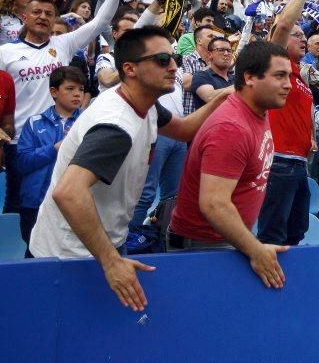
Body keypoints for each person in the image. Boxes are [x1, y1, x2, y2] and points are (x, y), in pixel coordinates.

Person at [29, 26, 234, 312]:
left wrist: (223, 97)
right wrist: (110, 261)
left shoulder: (143, 102)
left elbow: (185, 129)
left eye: (173, 57)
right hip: (71, 257)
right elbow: (69, 192)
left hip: (103, 246)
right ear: (130, 68)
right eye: (162, 60)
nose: (174, 66)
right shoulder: (116, 126)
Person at [0, 0, 134, 214]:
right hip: (21, 141)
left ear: (54, 20)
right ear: (24, 16)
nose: (42, 17)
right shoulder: (5, 53)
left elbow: (100, 23)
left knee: (58, 200)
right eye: (37, 12)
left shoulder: (63, 43)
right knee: (18, 203)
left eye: (49, 14)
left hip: (62, 137)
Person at [168, 41, 293, 289]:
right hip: (206, 250)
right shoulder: (231, 128)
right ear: (249, 78)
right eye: (279, 76)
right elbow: (214, 203)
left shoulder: (257, 109)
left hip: (227, 241)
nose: (288, 84)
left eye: (288, 75)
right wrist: (255, 250)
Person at [256, 0, 315, 246]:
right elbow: (282, 25)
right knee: (273, 235)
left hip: (299, 163)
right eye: (297, 34)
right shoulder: (277, 65)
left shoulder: (300, 76)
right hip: (279, 161)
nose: (304, 38)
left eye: (305, 35)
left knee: (296, 232)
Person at [16, 66, 84, 253]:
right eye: (70, 89)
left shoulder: (88, 121)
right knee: (34, 253)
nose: (77, 94)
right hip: (35, 202)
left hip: (75, 202)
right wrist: (55, 148)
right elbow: (22, 162)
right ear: (54, 91)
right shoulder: (33, 122)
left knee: (71, 254)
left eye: (81, 89)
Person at [191, 36, 234, 110]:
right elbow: (209, 97)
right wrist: (240, 88)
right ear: (210, 54)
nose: (226, 53)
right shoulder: (201, 76)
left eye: (229, 50)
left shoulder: (235, 79)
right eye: (221, 50)